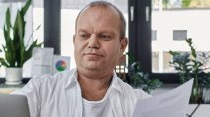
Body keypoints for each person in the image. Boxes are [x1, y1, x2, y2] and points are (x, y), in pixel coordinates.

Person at [12, 1, 151, 117]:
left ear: (122, 45)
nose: (92, 43)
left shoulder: (140, 104)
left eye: (105, 36)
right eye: (84, 35)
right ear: (74, 41)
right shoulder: (40, 91)